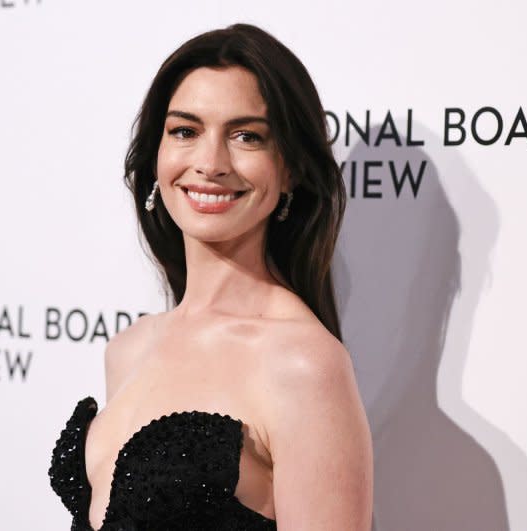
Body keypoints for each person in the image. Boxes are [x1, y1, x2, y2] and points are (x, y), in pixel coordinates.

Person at [49, 23, 373, 530]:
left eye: (247, 136)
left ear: (289, 169)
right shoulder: (128, 349)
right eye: (185, 131)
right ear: (156, 155)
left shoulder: (304, 365)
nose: (211, 163)